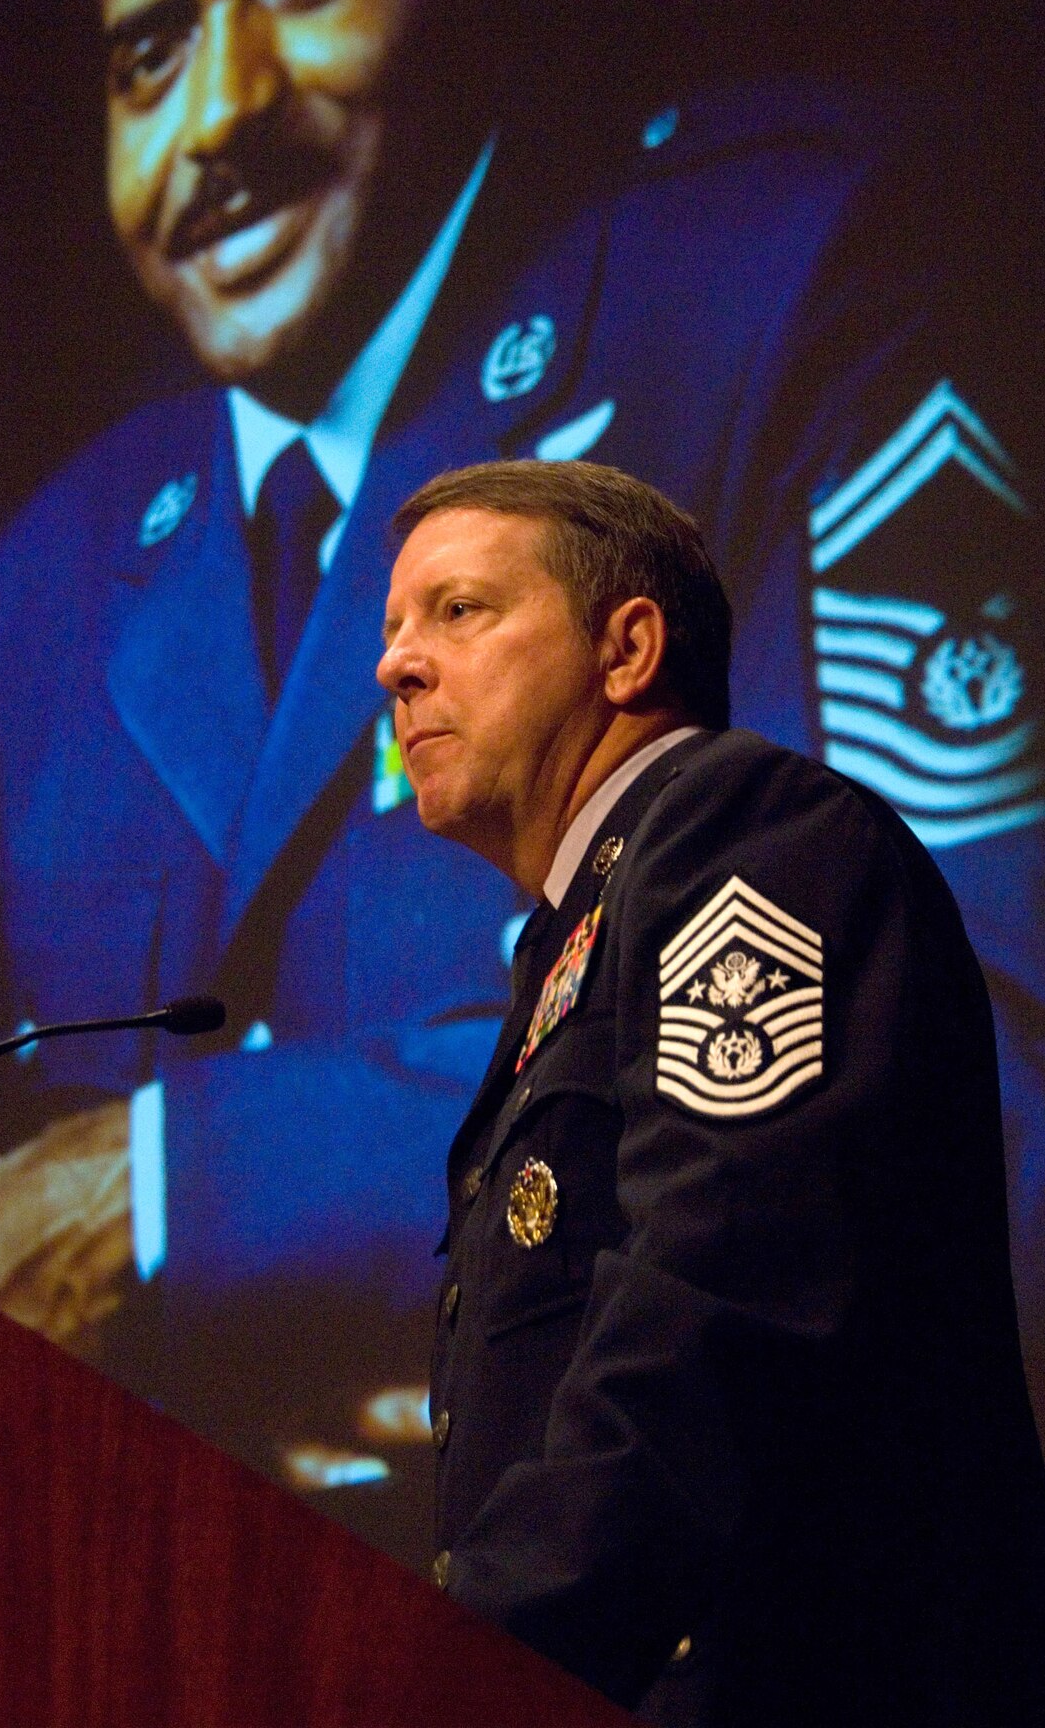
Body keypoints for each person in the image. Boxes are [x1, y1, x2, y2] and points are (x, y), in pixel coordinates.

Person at [0, 0, 1044, 1565]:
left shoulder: (779, 302)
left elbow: (965, 1085)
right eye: (145, 52)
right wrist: (148, 1405)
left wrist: (187, 1209)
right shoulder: (63, 566)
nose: (218, 114)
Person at [377, 457, 1045, 1725]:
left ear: (627, 647)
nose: (397, 664)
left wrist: (471, 1656)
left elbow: (726, 1277)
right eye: (396, 628)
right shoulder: (580, 929)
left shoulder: (744, 830)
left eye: (457, 611)